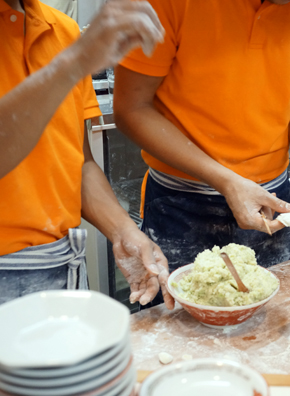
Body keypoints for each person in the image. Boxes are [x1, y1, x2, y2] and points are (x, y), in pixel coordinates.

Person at [113, 0, 290, 279]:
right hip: (181, 200)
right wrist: (225, 180)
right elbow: (131, 109)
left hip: (272, 197)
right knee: (176, 316)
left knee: (275, 313)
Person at [0, 0, 174, 308]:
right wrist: (76, 61)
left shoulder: (62, 31)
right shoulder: (74, 54)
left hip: (63, 265)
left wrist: (124, 232)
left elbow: (77, 164)